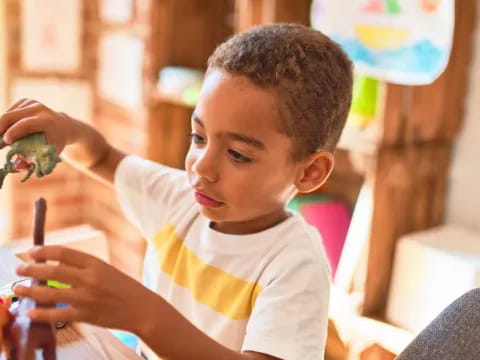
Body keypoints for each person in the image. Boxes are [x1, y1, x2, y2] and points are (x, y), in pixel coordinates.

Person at [0, 24, 353, 360]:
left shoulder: (295, 264)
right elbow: (102, 157)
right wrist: (66, 128)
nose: (201, 167)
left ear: (310, 172)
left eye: (237, 154)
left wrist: (145, 316)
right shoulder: (179, 199)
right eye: (198, 137)